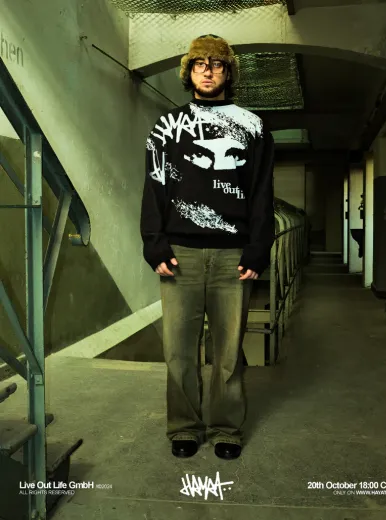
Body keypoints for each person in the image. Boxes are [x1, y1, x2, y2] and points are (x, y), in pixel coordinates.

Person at [140, 34, 275, 460]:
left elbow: (261, 193)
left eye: (217, 64)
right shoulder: (166, 127)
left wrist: (258, 248)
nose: (208, 71)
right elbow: (155, 187)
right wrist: (154, 243)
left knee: (228, 350)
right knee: (178, 350)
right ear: (189, 72)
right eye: (200, 63)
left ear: (228, 72)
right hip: (180, 253)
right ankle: (184, 426)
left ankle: (225, 429)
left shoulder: (253, 127)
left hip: (234, 255)